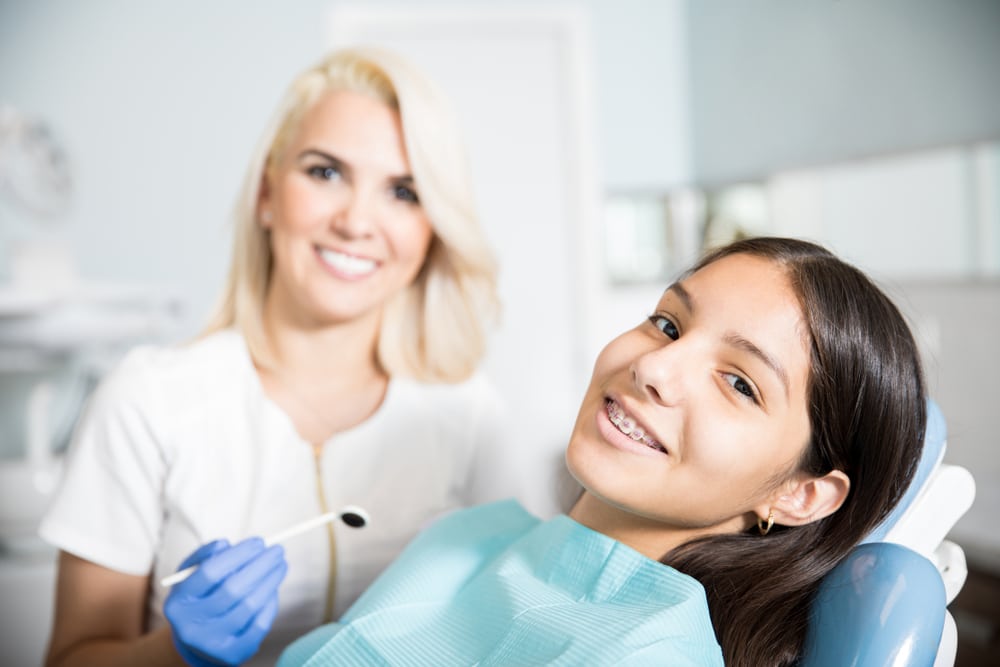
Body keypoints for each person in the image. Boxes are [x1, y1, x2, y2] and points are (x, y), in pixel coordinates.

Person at [40, 47, 559, 667]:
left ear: (432, 232)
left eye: (402, 190)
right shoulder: (147, 400)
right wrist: (174, 651)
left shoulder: (466, 412)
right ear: (266, 194)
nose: (356, 221)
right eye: (325, 172)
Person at [277, 236, 928, 667]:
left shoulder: (650, 653)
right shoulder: (474, 533)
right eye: (669, 323)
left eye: (739, 383)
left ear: (799, 493)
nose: (656, 367)